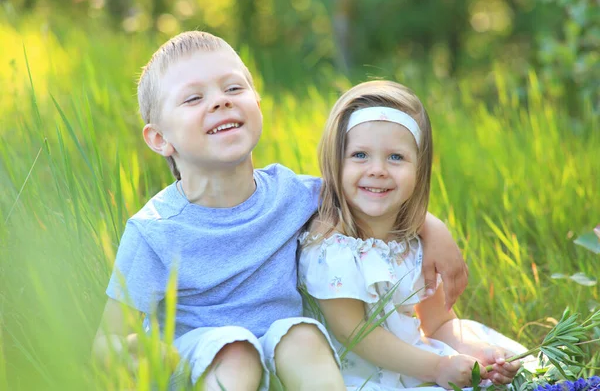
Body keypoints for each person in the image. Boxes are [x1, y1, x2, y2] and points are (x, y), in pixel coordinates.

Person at [92, 31, 469, 390]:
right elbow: (106, 340)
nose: (220, 100)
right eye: (193, 99)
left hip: (280, 355)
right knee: (236, 350)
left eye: (233, 88)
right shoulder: (154, 230)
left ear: (257, 102)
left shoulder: (292, 194)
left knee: (302, 333)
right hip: (197, 364)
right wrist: (133, 351)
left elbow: (368, 200)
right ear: (160, 138)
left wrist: (433, 229)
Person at [298, 80, 527, 390]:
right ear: (335, 162)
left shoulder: (412, 244)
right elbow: (354, 334)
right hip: (357, 377)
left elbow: (438, 324)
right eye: (360, 155)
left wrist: (479, 355)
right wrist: (437, 367)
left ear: (420, 169)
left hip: (417, 366)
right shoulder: (331, 247)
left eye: (396, 157)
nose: (377, 169)